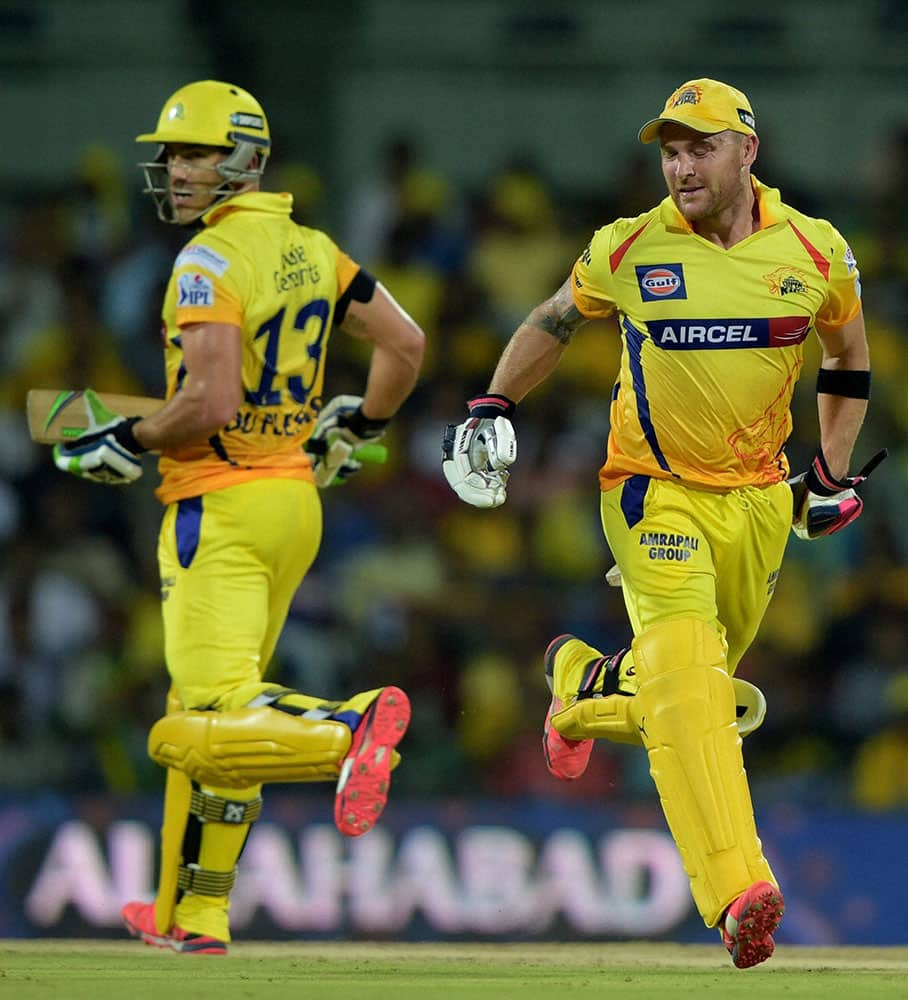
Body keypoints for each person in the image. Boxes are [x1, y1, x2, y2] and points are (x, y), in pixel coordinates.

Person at [443, 78, 884, 968]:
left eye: (699, 147)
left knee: (690, 694)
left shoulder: (816, 251)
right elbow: (553, 320)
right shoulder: (630, 247)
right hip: (652, 491)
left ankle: (581, 685)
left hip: (760, 500)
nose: (680, 165)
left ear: (747, 152)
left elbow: (847, 360)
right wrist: (493, 400)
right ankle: (735, 891)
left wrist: (830, 473)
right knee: (692, 676)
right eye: (670, 150)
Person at [53, 80, 425, 954]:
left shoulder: (207, 263)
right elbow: (406, 345)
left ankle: (349, 728)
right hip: (294, 501)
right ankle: (195, 912)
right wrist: (361, 424)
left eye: (195, 154)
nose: (177, 170)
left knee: (195, 721)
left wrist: (133, 437)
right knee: (219, 715)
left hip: (216, 505)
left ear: (245, 159)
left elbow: (210, 401)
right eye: (174, 154)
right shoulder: (313, 247)